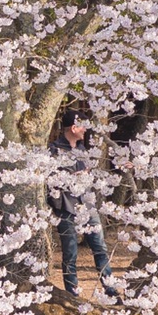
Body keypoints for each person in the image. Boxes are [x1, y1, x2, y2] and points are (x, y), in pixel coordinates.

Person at [47, 110, 117, 299]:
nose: (85, 130)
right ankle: (73, 295)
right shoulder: (54, 150)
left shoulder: (83, 150)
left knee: (100, 248)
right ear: (73, 127)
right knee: (70, 253)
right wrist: (70, 179)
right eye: (83, 126)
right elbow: (49, 180)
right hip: (66, 206)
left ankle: (111, 290)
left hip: (87, 204)